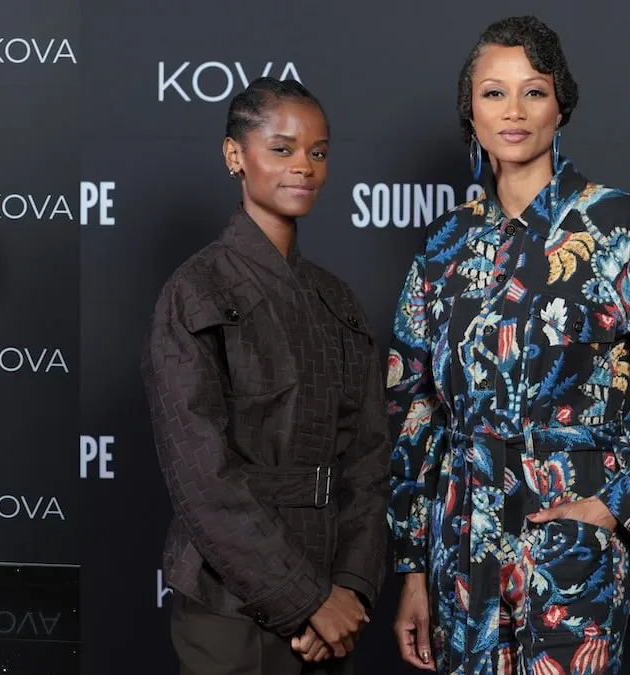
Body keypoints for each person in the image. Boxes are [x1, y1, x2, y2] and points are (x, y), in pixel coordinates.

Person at [386, 15, 630, 674]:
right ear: (471, 111)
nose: (513, 111)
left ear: (560, 104)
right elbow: (414, 411)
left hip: (570, 554)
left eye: (533, 91)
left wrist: (612, 504)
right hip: (460, 555)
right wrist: (410, 567)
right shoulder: (443, 246)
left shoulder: (619, 225)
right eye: (493, 92)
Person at [141, 77, 391, 675]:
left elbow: (369, 456)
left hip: (334, 603)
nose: (303, 166)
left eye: (318, 152)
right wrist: (303, 601)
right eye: (281, 148)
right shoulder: (193, 291)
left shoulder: (337, 298)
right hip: (231, 606)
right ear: (235, 155)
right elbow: (202, 474)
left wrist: (350, 590)